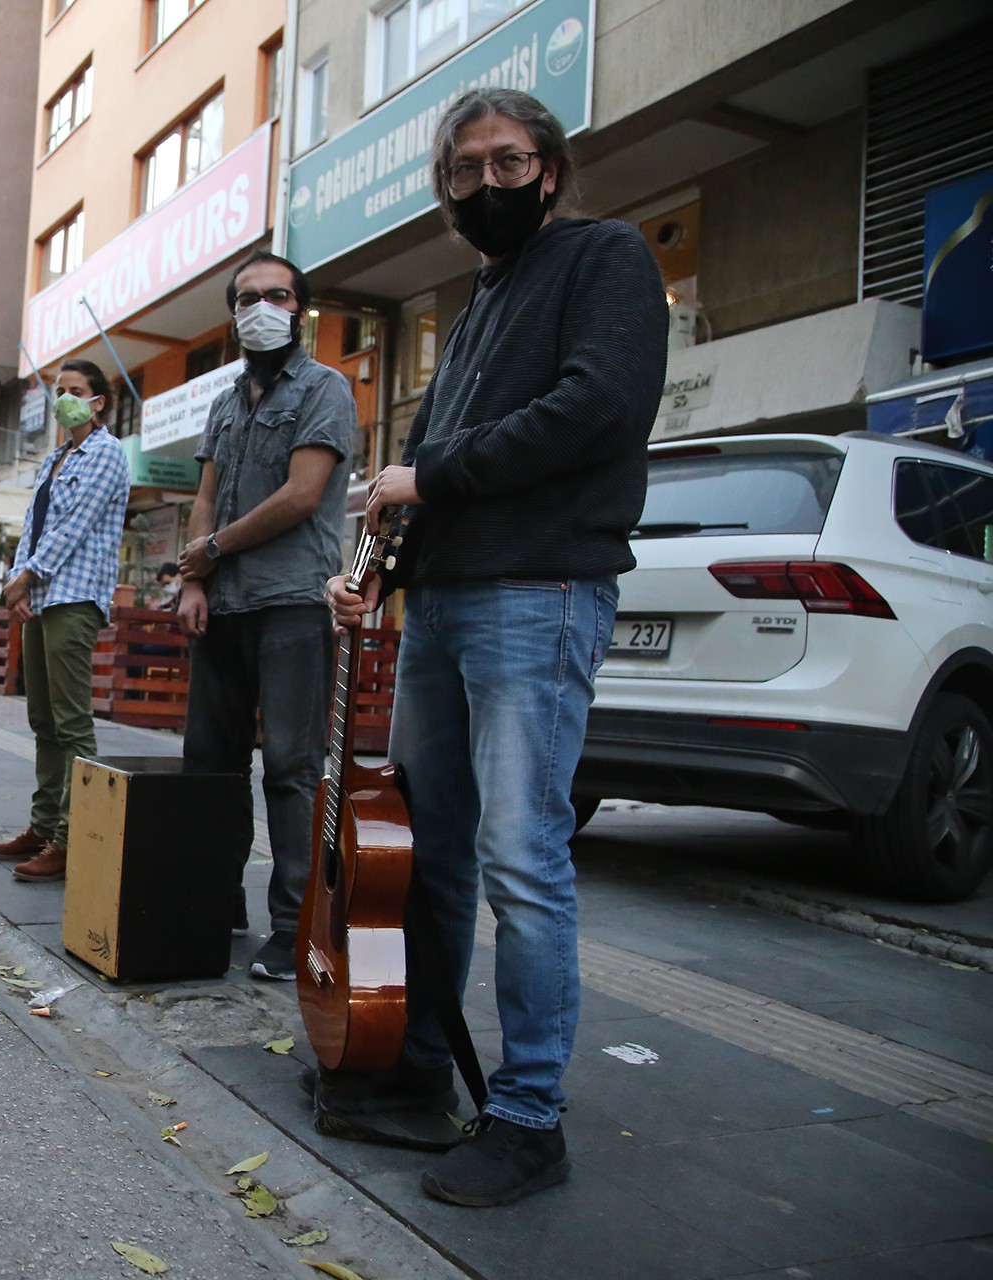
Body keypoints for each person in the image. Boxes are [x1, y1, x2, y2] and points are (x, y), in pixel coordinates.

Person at [322, 87, 666, 1208]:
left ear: (551, 170)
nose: (486, 186)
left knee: (524, 857)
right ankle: (420, 1062)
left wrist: (428, 476)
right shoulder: (474, 307)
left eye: (507, 163)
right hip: (448, 602)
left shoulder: (603, 259)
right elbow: (427, 462)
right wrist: (373, 575)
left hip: (540, 591)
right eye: (462, 172)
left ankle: (528, 1116)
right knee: (432, 852)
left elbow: (595, 408)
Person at [175, 249, 357, 980]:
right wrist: (195, 579)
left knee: (290, 770)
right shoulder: (224, 402)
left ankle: (295, 925)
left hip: (290, 604)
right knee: (211, 765)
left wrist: (209, 550)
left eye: (276, 294)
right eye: (247, 297)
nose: (261, 307)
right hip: (220, 607)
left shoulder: (325, 388)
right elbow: (206, 496)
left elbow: (302, 495)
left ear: (299, 308)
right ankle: (216, 900)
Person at [0, 360, 132, 883]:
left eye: (75, 391)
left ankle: (71, 838)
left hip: (74, 597)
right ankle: (43, 825)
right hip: (39, 598)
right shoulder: (54, 459)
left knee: (72, 724)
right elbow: (33, 526)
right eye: (59, 390)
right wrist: (19, 581)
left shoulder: (107, 453)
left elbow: (75, 525)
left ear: (98, 402)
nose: (63, 398)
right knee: (42, 720)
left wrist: (29, 576)